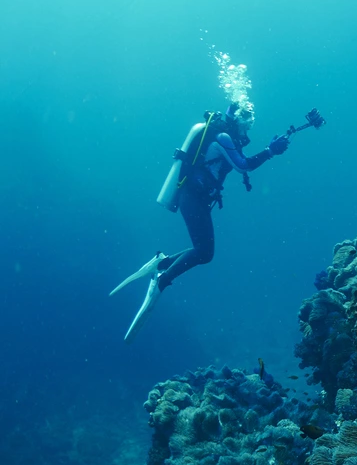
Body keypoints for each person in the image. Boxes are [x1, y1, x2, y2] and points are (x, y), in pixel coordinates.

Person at [112, 102, 289, 342]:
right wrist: (270, 151)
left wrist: (270, 150)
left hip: (195, 198)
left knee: (204, 251)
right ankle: (161, 281)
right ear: (236, 119)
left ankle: (162, 263)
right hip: (193, 198)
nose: (248, 128)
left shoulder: (222, 134)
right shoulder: (223, 136)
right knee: (204, 252)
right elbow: (242, 165)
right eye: (246, 121)